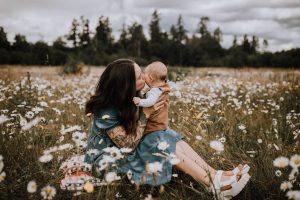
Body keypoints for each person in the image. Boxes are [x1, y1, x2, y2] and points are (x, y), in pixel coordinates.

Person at [83, 59, 250, 199]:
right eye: (139, 76)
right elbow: (127, 144)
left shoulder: (135, 96)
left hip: (126, 149)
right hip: (109, 160)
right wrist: (146, 114)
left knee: (166, 135)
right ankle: (213, 186)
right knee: (158, 141)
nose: (145, 77)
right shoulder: (106, 110)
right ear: (126, 85)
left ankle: (215, 175)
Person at [132, 61, 170, 134]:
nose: (143, 75)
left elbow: (150, 102)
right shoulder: (163, 88)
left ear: (151, 78)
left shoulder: (155, 91)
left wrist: (139, 101)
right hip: (161, 125)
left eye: (144, 73)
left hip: (153, 127)